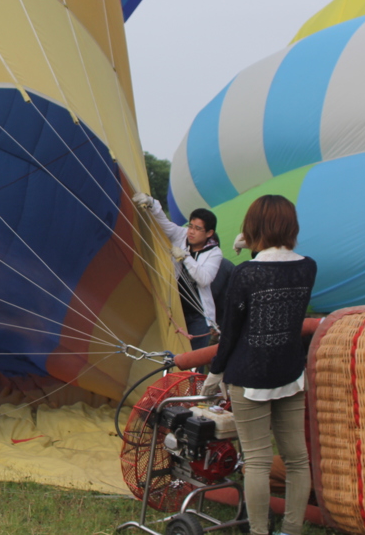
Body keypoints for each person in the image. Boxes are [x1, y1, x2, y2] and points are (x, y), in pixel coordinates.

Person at [201, 195, 317, 535]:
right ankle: (292, 529)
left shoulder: (246, 273)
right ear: (290, 226)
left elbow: (231, 333)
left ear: (252, 228)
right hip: (290, 372)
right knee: (297, 459)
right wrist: (255, 248)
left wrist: (214, 374)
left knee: (256, 461)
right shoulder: (308, 267)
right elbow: (278, 274)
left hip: (248, 376)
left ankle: (259, 531)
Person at [133, 192, 222, 349]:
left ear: (209, 233)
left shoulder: (214, 253)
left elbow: (204, 279)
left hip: (199, 315)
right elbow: (164, 223)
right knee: (177, 355)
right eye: (190, 226)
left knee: (195, 359)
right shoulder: (181, 235)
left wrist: (185, 257)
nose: (191, 232)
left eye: (198, 229)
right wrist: (151, 204)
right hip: (176, 310)